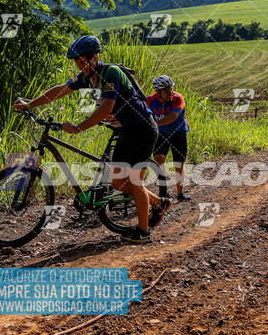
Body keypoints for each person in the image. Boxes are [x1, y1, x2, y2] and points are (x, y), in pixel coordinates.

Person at [12, 36, 171, 244]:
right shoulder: (86, 77)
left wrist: (78, 128)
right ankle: (158, 203)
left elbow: (106, 108)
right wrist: (30, 105)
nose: (81, 65)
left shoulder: (111, 73)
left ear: (95, 57)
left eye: (83, 61)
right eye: (77, 62)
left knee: (134, 180)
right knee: (117, 182)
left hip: (143, 130)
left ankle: (143, 233)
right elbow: (61, 90)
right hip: (126, 131)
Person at [146, 75, 191, 202]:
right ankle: (164, 191)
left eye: (171, 89)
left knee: (179, 165)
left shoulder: (178, 97)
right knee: (158, 159)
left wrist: (153, 123)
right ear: (158, 92)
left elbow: (173, 116)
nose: (170, 92)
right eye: (166, 90)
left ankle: (180, 193)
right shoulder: (149, 100)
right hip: (161, 134)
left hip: (179, 133)